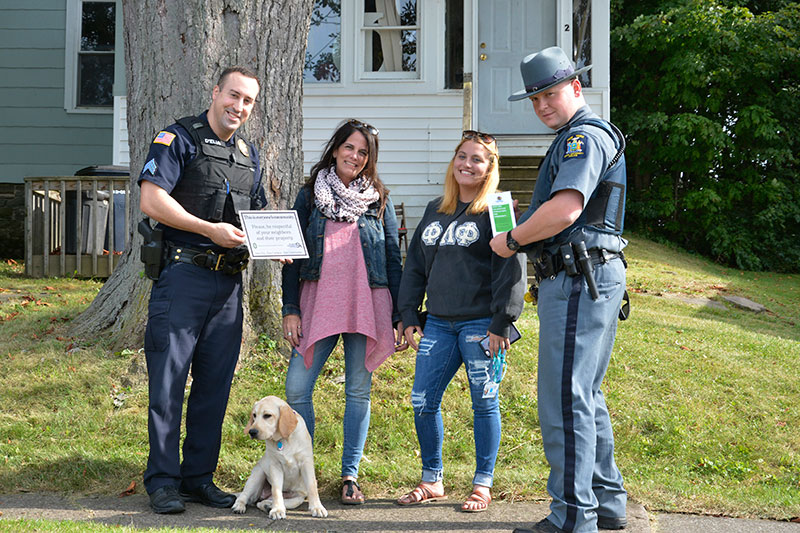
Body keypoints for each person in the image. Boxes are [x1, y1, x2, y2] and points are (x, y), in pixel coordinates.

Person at [490, 47, 629, 533]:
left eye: (550, 93)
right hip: (588, 274)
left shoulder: (581, 139)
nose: (542, 105)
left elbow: (567, 210)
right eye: (534, 98)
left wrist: (510, 240)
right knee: (585, 395)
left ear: (575, 87)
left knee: (565, 398)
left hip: (576, 277)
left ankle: (573, 517)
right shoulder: (576, 137)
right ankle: (606, 504)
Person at [137, 66, 265, 514]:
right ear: (215, 92)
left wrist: (276, 246)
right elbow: (152, 199)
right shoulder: (178, 139)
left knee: (214, 386)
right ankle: (163, 481)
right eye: (234, 96)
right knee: (168, 385)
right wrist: (207, 229)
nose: (239, 107)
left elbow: (259, 218)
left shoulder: (250, 155)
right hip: (183, 277)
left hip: (228, 285)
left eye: (248, 101)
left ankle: (197, 479)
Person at [395, 132, 526, 513]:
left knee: (484, 404)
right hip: (436, 323)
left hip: (481, 325)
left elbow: (512, 267)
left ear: (490, 169)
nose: (467, 164)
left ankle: (482, 485)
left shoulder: (499, 208)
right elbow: (415, 267)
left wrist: (502, 321)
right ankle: (431, 479)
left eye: (477, 160)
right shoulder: (437, 207)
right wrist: (407, 315)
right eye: (462, 156)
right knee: (422, 401)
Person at [280, 119, 405, 505]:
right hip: (317, 304)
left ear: (370, 160)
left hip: (367, 304)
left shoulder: (379, 200)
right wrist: (290, 308)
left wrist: (401, 315)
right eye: (349, 148)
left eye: (363, 152)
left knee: (358, 391)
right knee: (297, 389)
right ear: (335, 149)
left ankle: (350, 475)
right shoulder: (309, 196)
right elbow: (291, 256)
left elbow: (392, 258)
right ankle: (306, 472)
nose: (355, 156)